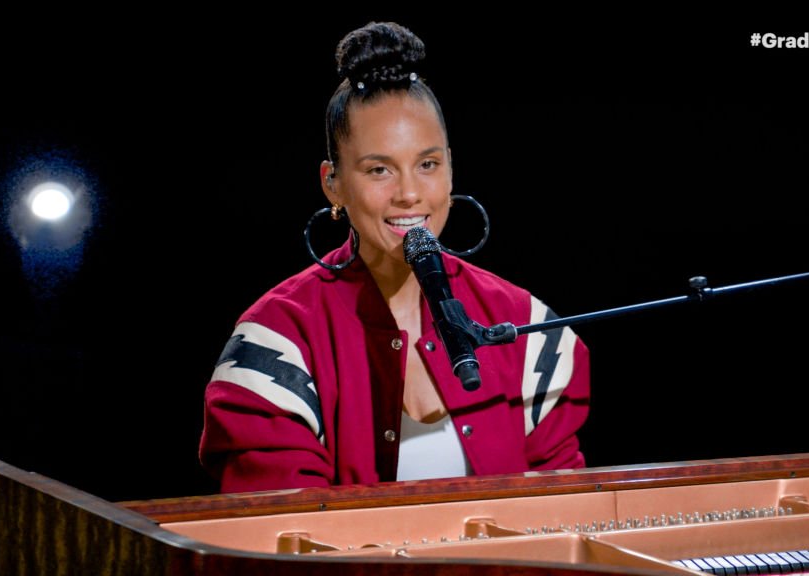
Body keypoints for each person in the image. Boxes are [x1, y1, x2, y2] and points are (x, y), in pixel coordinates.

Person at [198, 21, 590, 492]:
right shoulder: (277, 339)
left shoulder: (527, 326)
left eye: (428, 165)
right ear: (332, 183)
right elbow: (280, 538)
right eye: (378, 169)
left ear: (450, 170)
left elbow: (564, 516)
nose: (409, 193)